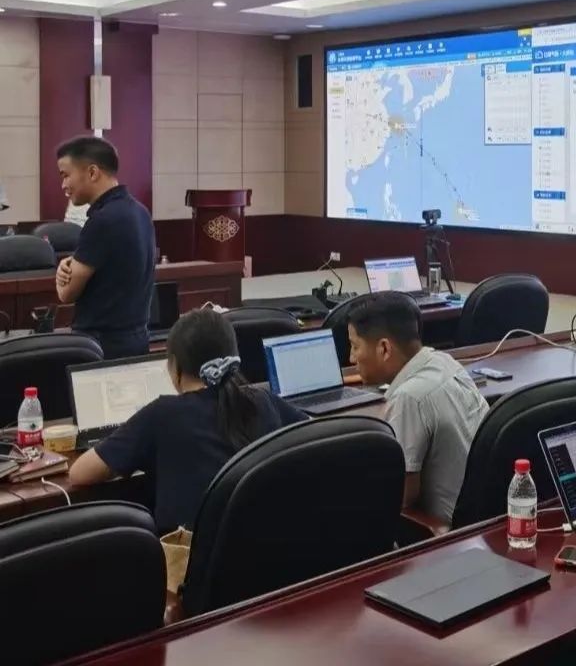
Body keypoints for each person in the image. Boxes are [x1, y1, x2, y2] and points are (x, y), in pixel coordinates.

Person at [69, 309, 308, 533]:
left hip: (192, 558)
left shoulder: (162, 414)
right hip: (267, 548)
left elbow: (80, 473)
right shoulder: (264, 400)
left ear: (175, 367)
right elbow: (312, 431)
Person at [346, 292, 488, 526]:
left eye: (355, 346)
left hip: (443, 532)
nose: (352, 358)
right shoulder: (445, 362)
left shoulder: (409, 398)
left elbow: (401, 498)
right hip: (482, 516)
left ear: (384, 348)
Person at [54, 136, 156, 359]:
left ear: (92, 172)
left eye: (66, 175)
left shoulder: (101, 221)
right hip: (138, 339)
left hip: (101, 348)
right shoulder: (141, 212)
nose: (63, 185)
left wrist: (61, 277)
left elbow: (67, 293)